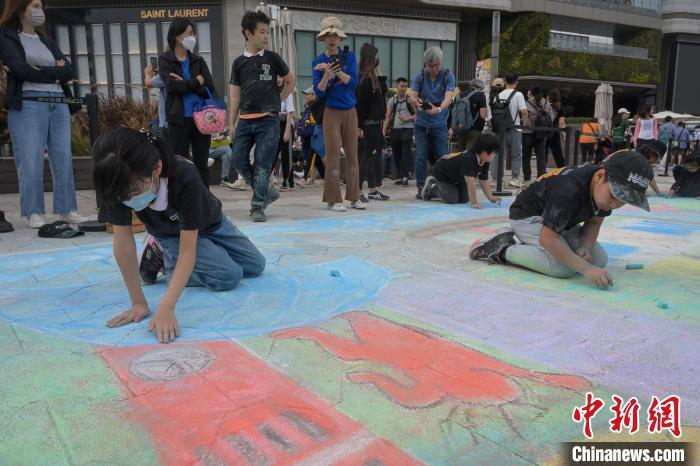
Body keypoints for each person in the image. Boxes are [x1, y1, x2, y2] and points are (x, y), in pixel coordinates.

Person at [93, 128, 266, 344]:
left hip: (211, 222)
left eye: (136, 191)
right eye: (124, 196)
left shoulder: (183, 174)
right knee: (228, 275)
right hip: (169, 234)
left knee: (256, 265)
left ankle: (165, 257)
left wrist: (166, 308)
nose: (130, 199)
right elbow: (123, 242)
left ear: (157, 167)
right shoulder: (113, 180)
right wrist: (139, 303)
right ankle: (160, 251)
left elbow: (188, 251)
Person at [469, 151, 653, 289]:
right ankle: (502, 248)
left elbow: (595, 221)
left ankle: (558, 249)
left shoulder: (603, 194)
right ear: (600, 176)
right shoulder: (568, 190)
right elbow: (547, 239)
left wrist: (585, 247)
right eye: (614, 196)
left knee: (598, 259)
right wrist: (586, 269)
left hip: (560, 221)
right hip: (528, 217)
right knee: (562, 268)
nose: (614, 204)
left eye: (623, 201)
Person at [0, 0, 89, 228]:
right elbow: (19, 68)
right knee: (30, 159)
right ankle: (32, 212)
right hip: (29, 104)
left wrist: (43, 71)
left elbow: (68, 70)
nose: (41, 11)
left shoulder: (46, 40)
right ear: (21, 9)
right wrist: (55, 73)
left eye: (41, 7)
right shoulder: (7, 37)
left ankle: (67, 209)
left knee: (63, 158)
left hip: (59, 103)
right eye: (36, 6)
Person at [229, 10, 295, 222]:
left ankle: (258, 205)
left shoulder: (273, 58)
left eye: (267, 32)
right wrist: (231, 123)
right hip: (245, 120)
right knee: (238, 158)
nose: (266, 36)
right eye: (262, 32)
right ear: (249, 34)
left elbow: (291, 81)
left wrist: (278, 101)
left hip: (269, 120)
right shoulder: (238, 63)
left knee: (263, 163)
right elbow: (235, 96)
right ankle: (266, 191)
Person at [312, 16, 364, 212]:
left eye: (335, 36)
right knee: (333, 156)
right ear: (323, 39)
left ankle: (355, 196)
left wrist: (335, 69)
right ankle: (334, 199)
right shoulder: (317, 61)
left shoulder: (349, 57)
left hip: (350, 110)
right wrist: (326, 74)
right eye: (328, 35)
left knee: (352, 155)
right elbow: (319, 91)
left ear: (340, 39)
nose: (332, 39)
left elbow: (354, 83)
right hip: (331, 111)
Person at [158, 18, 217, 187]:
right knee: (178, 163)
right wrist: (196, 81)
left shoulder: (198, 60)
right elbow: (171, 86)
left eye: (193, 34)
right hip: (178, 118)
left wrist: (185, 82)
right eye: (189, 34)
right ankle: (180, 201)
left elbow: (210, 87)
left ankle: (205, 201)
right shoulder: (165, 60)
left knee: (202, 164)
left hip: (202, 118)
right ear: (178, 36)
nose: (193, 37)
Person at [410, 47, 456, 199]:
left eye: (436, 65)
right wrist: (417, 103)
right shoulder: (420, 76)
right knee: (420, 155)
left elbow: (449, 98)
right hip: (421, 123)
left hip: (440, 123)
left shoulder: (448, 76)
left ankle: (443, 185)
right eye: (430, 66)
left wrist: (438, 109)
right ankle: (420, 186)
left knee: (442, 156)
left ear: (441, 62)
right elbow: (413, 95)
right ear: (425, 64)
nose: (433, 69)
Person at [421, 132, 502, 208]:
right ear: (484, 152)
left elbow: (483, 180)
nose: (495, 155)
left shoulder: (485, 160)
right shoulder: (469, 159)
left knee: (464, 199)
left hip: (457, 176)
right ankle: (432, 188)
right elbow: (470, 183)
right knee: (451, 198)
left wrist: (490, 197)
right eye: (494, 153)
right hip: (442, 173)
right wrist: (474, 202)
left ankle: (450, 188)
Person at [356, 42, 389, 202]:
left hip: (376, 123)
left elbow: (385, 89)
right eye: (375, 56)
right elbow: (360, 105)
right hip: (367, 125)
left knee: (372, 158)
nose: (378, 59)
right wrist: (358, 126)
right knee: (364, 158)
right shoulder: (364, 79)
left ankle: (372, 189)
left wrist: (377, 70)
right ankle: (357, 190)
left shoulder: (372, 77)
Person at [494, 72, 528, 188]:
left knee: (500, 155)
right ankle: (514, 179)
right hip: (515, 129)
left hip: (500, 130)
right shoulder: (518, 95)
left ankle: (499, 179)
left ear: (505, 82)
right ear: (516, 82)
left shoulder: (498, 96)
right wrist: (525, 122)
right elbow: (523, 111)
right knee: (516, 155)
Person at [383, 77, 414, 186]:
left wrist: (406, 119)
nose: (404, 88)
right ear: (397, 87)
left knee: (406, 151)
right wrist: (383, 130)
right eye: (402, 86)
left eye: (406, 86)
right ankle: (402, 175)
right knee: (396, 152)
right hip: (396, 129)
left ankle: (405, 176)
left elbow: (417, 115)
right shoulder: (392, 100)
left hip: (408, 129)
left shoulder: (410, 100)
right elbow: (388, 116)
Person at [522, 85, 553, 183]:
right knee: (541, 157)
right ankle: (541, 178)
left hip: (528, 133)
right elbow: (551, 117)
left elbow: (524, 119)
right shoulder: (546, 103)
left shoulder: (526, 103)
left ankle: (527, 178)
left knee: (526, 156)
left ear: (531, 93)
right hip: (542, 133)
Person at [275, 74, 296, 191]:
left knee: (286, 155)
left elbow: (290, 112)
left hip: (285, 125)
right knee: (272, 154)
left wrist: (287, 130)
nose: (278, 79)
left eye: (280, 77)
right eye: (276, 77)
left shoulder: (287, 91)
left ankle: (288, 182)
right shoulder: (271, 91)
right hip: (274, 125)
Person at [455, 79, 487, 153]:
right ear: (479, 87)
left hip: (460, 129)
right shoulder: (480, 96)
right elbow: (483, 115)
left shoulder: (459, 95)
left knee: (460, 155)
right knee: (470, 155)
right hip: (474, 130)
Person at [144, 62, 167, 138]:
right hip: (182, 117)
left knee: (154, 127)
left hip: (167, 120)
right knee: (153, 123)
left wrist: (148, 74)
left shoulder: (165, 75)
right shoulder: (182, 71)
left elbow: (148, 83)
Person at [546, 88, 567, 168]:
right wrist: (564, 134)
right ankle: (562, 171)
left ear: (548, 97)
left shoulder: (544, 106)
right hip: (554, 133)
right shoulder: (559, 107)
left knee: (543, 154)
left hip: (543, 132)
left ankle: (541, 173)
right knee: (558, 154)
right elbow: (561, 123)